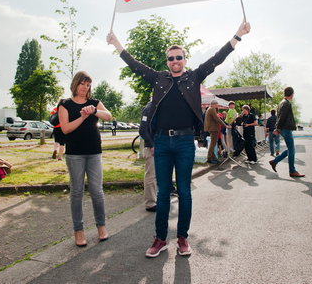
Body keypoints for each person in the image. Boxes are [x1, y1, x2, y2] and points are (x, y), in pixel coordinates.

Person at [107, 21, 251, 258]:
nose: (175, 61)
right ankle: (160, 239)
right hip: (162, 143)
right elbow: (133, 65)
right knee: (163, 193)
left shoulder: (194, 77)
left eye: (179, 57)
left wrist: (238, 35)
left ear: (185, 59)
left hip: (185, 143)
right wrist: (116, 43)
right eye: (171, 58)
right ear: (167, 62)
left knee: (184, 191)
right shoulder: (159, 79)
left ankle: (182, 238)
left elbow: (217, 58)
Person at [59, 71, 112, 247]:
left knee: (97, 191)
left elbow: (108, 116)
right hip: (75, 154)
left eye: (88, 85)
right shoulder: (65, 104)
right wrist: (82, 116)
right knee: (77, 192)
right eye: (83, 84)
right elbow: (65, 129)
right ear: (76, 84)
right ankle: (78, 230)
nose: (85, 88)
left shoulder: (94, 103)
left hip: (94, 152)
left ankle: (101, 227)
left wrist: (95, 111)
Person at [269, 87, 305, 178]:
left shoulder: (281, 103)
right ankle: (292, 171)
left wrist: (278, 128)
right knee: (292, 150)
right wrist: (277, 129)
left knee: (290, 149)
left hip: (284, 129)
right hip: (286, 129)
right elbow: (282, 117)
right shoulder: (286, 103)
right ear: (292, 94)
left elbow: (279, 117)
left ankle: (275, 161)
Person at [140, 102, 157, 212]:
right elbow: (142, 129)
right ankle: (150, 203)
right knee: (151, 175)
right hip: (152, 147)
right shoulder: (149, 108)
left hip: (160, 145)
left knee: (156, 175)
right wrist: (151, 145)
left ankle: (155, 199)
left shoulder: (159, 106)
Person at [204, 100, 226, 164]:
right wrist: (225, 125)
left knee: (213, 144)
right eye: (216, 104)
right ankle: (209, 158)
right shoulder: (212, 109)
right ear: (213, 104)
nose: (217, 106)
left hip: (211, 128)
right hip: (213, 129)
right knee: (213, 144)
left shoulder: (209, 109)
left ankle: (213, 157)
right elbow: (217, 119)